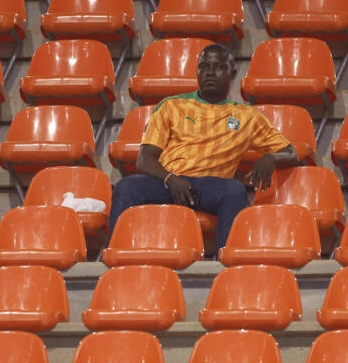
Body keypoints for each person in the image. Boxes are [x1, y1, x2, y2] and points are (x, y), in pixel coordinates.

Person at [109, 44, 301, 250]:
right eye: (204, 66)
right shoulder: (171, 106)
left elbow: (291, 152)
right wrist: (170, 179)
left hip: (209, 187)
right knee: (126, 187)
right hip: (168, 183)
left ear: (232, 73)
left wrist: (271, 158)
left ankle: (228, 261)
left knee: (234, 190)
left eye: (218, 67)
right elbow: (144, 160)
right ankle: (115, 253)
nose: (210, 72)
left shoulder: (247, 117)